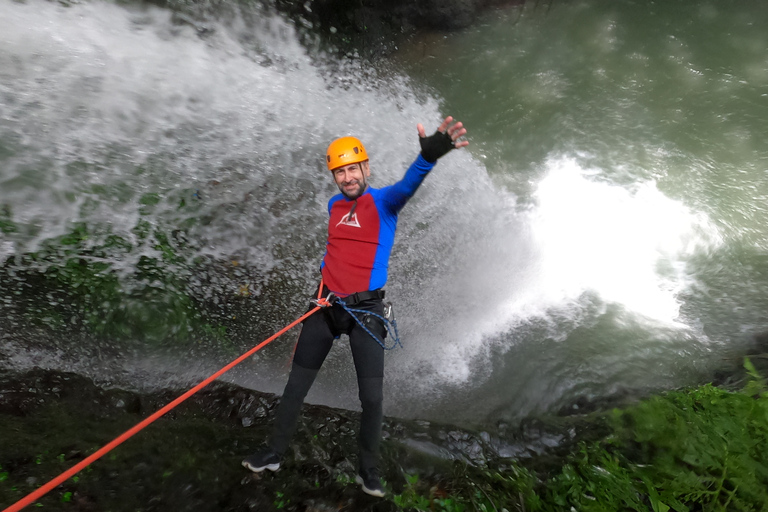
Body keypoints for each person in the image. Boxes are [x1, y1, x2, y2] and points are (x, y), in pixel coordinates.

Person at [242, 116, 468, 497]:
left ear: (366, 167)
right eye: (340, 172)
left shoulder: (385, 202)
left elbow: (407, 185)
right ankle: (274, 453)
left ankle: (369, 471)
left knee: (372, 399)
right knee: (295, 386)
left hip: (366, 314)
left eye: (353, 169)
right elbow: (332, 257)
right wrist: (318, 296)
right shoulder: (333, 205)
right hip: (325, 309)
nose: (347, 178)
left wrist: (427, 157)